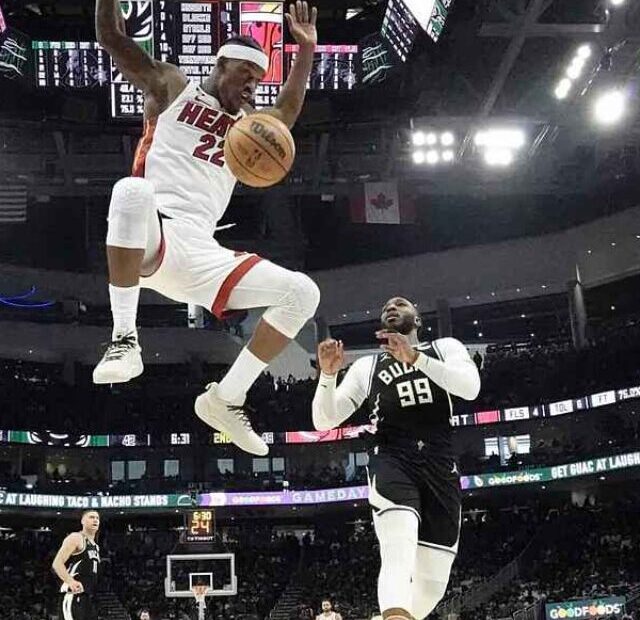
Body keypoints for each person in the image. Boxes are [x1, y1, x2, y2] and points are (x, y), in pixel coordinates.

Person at [93, 0, 321, 456]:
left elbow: (289, 112)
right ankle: (124, 339)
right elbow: (112, 39)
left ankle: (226, 398)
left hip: (202, 253)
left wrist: (307, 51)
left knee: (303, 294)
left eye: (258, 80)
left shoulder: (252, 127)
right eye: (245, 75)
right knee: (131, 191)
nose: (252, 86)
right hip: (152, 235)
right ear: (222, 65)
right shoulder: (172, 87)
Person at [312, 297, 481, 620]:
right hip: (391, 457)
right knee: (398, 549)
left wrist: (415, 358)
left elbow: (470, 388)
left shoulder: (445, 347)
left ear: (417, 320)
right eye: (386, 307)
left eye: (401, 304)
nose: (391, 306)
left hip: (439, 463)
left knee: (433, 583)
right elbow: (324, 420)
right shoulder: (367, 366)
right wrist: (327, 377)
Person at [52, 510, 101, 620]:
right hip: (72, 595)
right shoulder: (76, 538)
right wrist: (70, 581)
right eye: (91, 517)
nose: (95, 520)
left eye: (97, 518)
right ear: (83, 521)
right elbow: (57, 563)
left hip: (88, 596)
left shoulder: (95, 546)